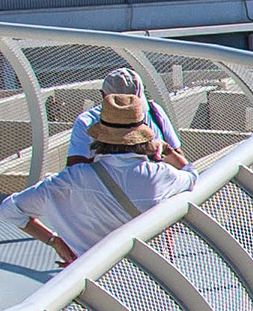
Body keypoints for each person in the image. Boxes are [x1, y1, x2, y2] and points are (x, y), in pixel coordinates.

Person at [10, 78, 194, 266]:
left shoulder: (74, 178)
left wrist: (55, 241)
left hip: (93, 280)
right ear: (143, 134)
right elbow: (192, 177)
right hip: (148, 277)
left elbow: (10, 209)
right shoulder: (158, 175)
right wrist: (168, 152)